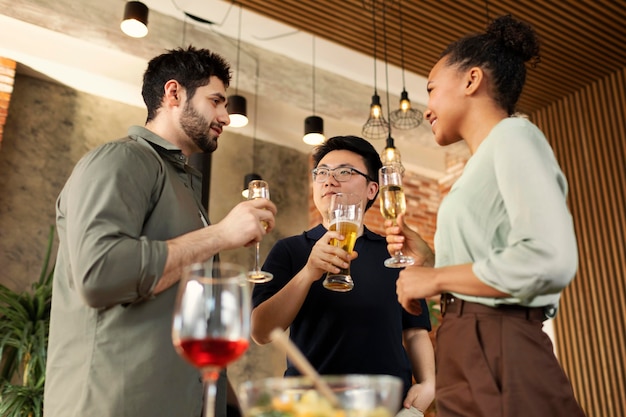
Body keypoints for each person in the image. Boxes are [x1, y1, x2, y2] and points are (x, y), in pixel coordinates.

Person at [43, 46, 277, 417]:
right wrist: (220, 235)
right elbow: (99, 273)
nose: (226, 117)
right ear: (173, 94)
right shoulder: (121, 159)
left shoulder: (183, 186)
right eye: (216, 101)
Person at [385, 15, 586, 417]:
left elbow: (549, 258)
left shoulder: (514, 135)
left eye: (431, 89)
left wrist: (436, 279)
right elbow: (493, 254)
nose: (426, 109)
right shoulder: (485, 159)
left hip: (494, 339)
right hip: (469, 342)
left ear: (471, 80)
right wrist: (433, 260)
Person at [251, 135, 435, 415]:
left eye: (344, 172)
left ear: (372, 189)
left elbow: (415, 331)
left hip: (388, 407)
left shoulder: (394, 250)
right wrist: (309, 272)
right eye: (321, 172)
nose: (329, 180)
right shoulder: (289, 250)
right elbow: (261, 332)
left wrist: (429, 383)